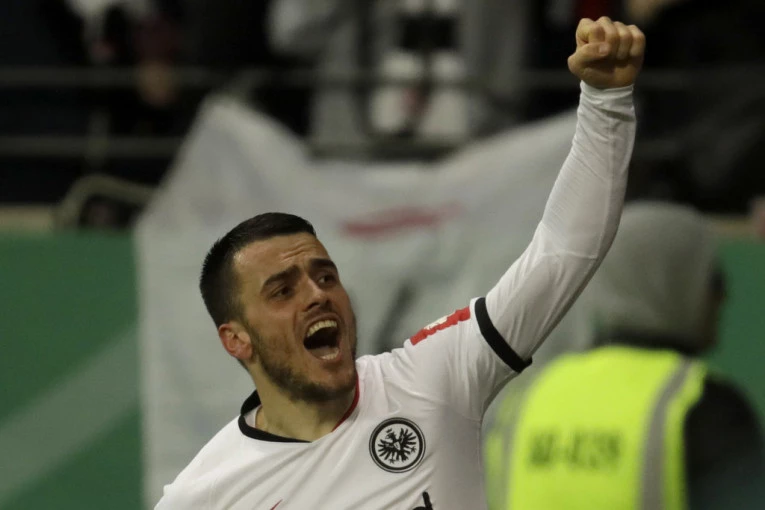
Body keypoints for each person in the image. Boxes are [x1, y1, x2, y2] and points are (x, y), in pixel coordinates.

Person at [155, 17, 644, 509]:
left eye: (325, 276)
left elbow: (564, 253)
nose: (317, 294)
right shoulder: (204, 495)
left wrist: (605, 103)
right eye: (283, 290)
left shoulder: (429, 380)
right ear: (236, 339)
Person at [485, 202, 765, 510]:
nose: (723, 297)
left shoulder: (525, 398)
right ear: (675, 281)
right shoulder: (704, 407)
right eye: (714, 280)